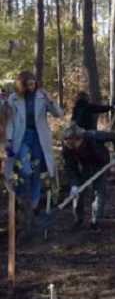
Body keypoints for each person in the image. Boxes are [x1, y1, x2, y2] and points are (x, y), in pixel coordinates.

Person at [4, 72, 63, 213]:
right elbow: (10, 122)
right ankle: (20, 198)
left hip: (38, 137)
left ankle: (33, 205)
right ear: (21, 84)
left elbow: (58, 113)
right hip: (21, 137)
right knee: (23, 169)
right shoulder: (14, 98)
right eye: (28, 83)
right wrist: (9, 139)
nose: (32, 86)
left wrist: (50, 99)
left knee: (35, 171)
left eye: (33, 83)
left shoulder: (41, 97)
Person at [62, 123, 115, 232]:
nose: (71, 146)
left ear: (81, 139)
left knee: (99, 192)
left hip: (101, 163)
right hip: (85, 165)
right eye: (68, 144)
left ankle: (95, 221)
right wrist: (74, 185)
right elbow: (70, 168)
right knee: (78, 191)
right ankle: (78, 220)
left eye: (73, 143)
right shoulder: (67, 148)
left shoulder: (93, 136)